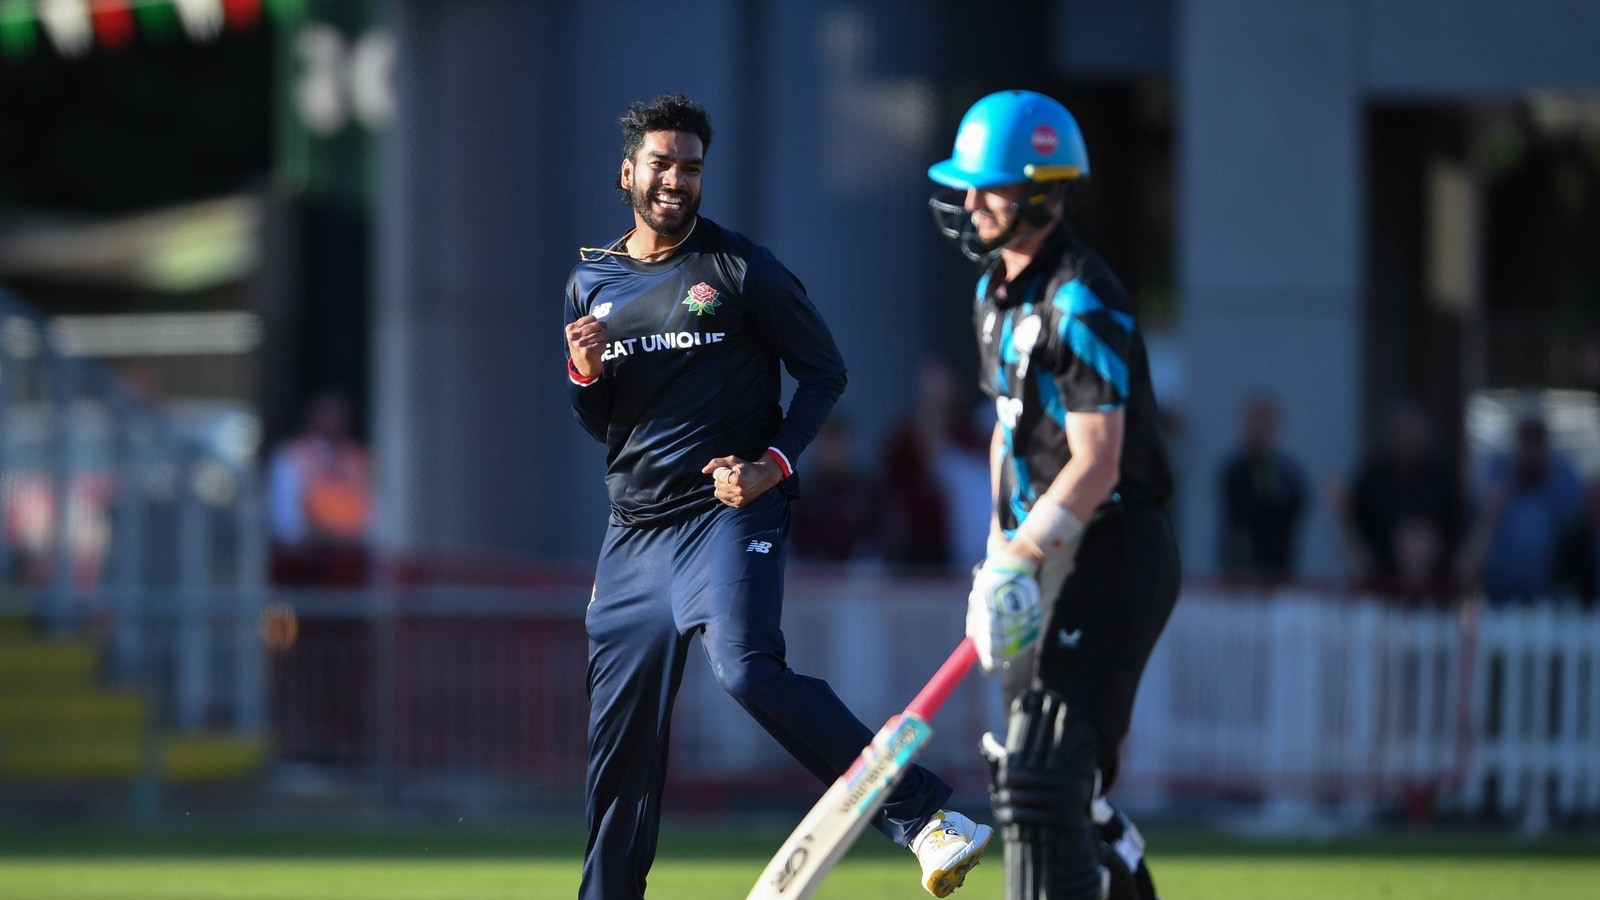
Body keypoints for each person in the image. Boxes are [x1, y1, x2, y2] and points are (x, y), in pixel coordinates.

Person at [563, 93, 991, 900]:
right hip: (632, 538)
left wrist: (772, 464)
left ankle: (929, 820)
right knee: (618, 750)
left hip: (728, 514)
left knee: (747, 670)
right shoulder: (591, 282)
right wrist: (584, 374)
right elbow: (605, 424)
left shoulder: (741, 269)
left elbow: (826, 372)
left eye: (691, 167)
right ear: (628, 172)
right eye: (661, 164)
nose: (676, 180)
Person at [927, 90, 1179, 900]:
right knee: (1036, 787)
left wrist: (1022, 556)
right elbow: (1008, 434)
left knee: (1045, 770)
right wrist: (999, 555)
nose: (970, 203)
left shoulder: (1083, 296)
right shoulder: (991, 296)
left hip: (1112, 544)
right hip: (1036, 552)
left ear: (1042, 187)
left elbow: (1098, 461)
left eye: (990, 186)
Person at [1340, 401, 1462, 597]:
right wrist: (1342, 512)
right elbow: (1355, 530)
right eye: (1400, 431)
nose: (1406, 438)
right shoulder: (1374, 474)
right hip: (1384, 585)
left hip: (1438, 589)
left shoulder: (1440, 473)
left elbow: (1457, 526)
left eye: (1411, 431)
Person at [266, 390, 372, 586]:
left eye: (337, 415)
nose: (332, 421)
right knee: (285, 615)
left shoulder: (356, 457)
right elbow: (284, 516)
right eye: (325, 414)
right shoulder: (291, 455)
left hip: (347, 564)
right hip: (299, 561)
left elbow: (370, 510)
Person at [1217, 393, 1308, 580]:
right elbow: (1239, 511)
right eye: (1255, 422)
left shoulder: (1287, 472)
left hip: (1279, 566)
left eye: (1265, 423)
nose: (1259, 430)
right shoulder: (1234, 471)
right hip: (1241, 568)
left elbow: (1297, 505)